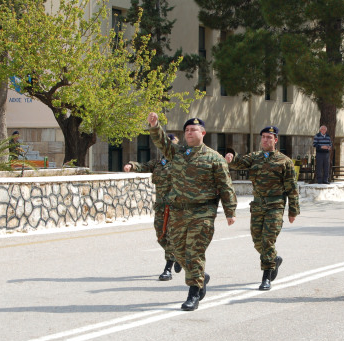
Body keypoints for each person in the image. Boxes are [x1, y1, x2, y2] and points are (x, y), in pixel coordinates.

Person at [146, 113, 237, 311]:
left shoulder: (215, 158)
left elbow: (225, 186)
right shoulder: (178, 153)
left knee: (194, 253)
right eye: (186, 130)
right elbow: (162, 143)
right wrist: (155, 125)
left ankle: (194, 293)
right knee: (178, 252)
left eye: (193, 130)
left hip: (202, 212)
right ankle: (200, 277)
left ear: (203, 133)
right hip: (178, 212)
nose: (189, 133)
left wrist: (230, 211)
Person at [225, 126, 300, 290]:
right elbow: (240, 163)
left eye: (269, 137)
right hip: (258, 205)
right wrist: (232, 158)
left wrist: (293, 210)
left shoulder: (284, 161)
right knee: (257, 240)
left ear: (275, 140)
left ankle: (266, 276)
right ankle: (274, 259)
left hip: (275, 205)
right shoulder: (255, 157)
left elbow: (292, 188)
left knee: (267, 240)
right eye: (263, 137)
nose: (265, 140)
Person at [123, 133, 181, 281]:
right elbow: (143, 166)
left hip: (176, 206)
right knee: (160, 236)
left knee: (171, 235)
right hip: (161, 206)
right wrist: (132, 165)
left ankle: (168, 268)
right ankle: (178, 256)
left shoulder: (181, 163)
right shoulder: (158, 163)